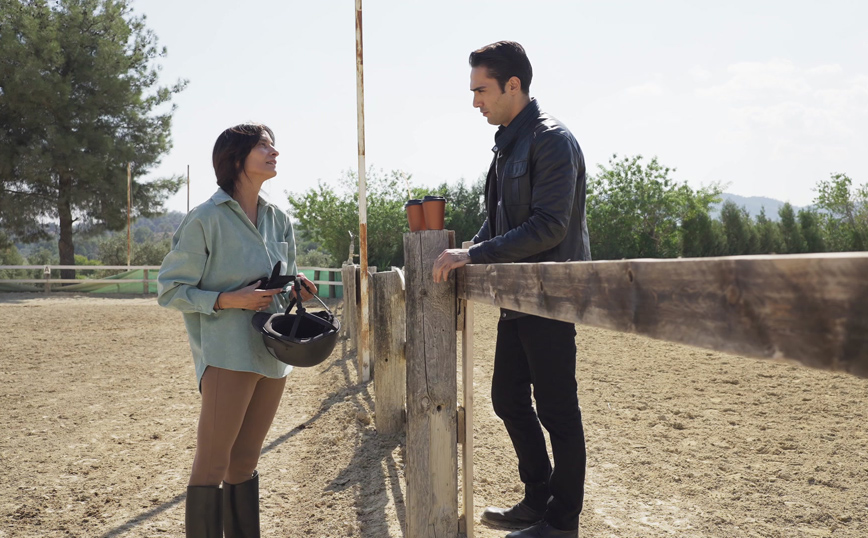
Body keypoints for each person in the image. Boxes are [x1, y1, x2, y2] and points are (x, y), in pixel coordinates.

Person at [432, 41, 591, 538]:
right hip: (516, 297)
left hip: (550, 295)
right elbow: (498, 220)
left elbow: (549, 226)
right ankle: (537, 499)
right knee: (507, 398)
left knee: (557, 410)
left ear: (513, 85)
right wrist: (468, 249)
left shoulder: (552, 140)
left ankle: (562, 523)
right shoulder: (507, 144)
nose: (475, 101)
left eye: (481, 90)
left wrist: (474, 255)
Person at [157, 123, 315, 537]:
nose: (274, 151)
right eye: (263, 145)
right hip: (227, 355)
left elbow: (285, 275)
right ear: (236, 158)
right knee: (212, 465)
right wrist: (230, 299)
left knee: (244, 464)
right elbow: (170, 290)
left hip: (274, 355)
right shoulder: (204, 219)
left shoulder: (279, 219)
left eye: (273, 145)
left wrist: (296, 287)